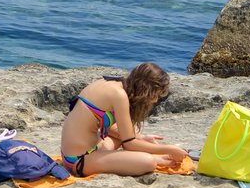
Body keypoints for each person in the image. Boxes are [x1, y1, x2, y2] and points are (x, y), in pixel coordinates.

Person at [60, 62, 188, 177]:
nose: (155, 100)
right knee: (148, 162)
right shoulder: (119, 96)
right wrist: (169, 149)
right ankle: (156, 160)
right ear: (147, 89)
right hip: (79, 160)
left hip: (84, 150)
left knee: (120, 137)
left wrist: (140, 137)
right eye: (155, 95)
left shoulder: (111, 83)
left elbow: (110, 128)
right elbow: (129, 144)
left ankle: (133, 158)